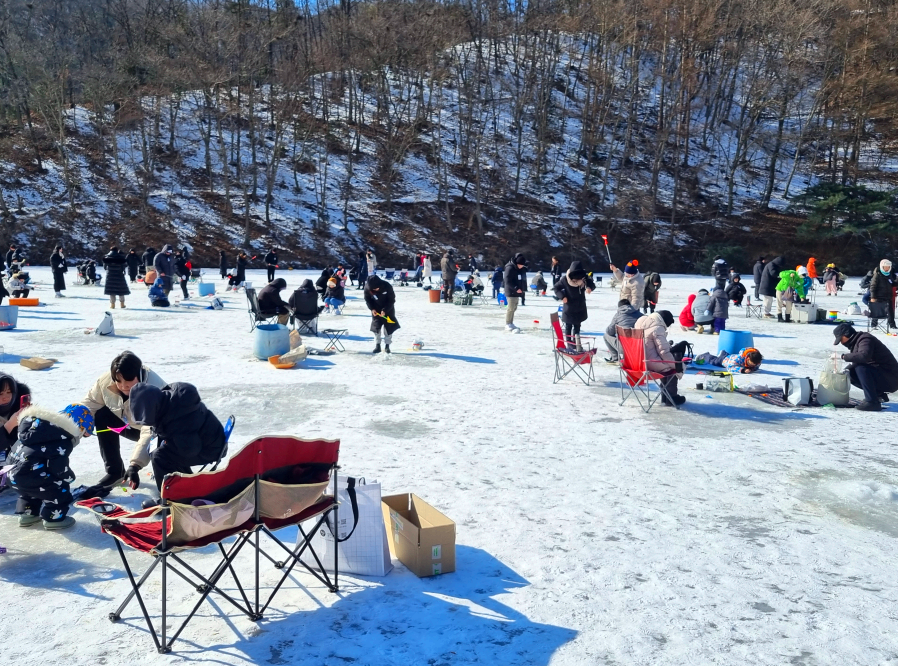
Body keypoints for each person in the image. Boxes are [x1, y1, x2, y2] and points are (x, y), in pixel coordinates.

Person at [75, 352, 167, 500]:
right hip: (126, 425)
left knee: (160, 447)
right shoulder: (105, 382)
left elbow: (150, 430)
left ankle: (166, 486)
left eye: (129, 380)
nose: (124, 385)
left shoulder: (155, 390)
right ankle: (114, 471)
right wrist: (79, 427)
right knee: (101, 415)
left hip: (157, 432)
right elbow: (88, 405)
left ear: (140, 374)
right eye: (118, 380)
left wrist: (135, 465)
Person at [126, 382, 227, 501]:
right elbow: (153, 435)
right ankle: (184, 485)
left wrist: (168, 442)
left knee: (159, 456)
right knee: (158, 449)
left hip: (210, 448)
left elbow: (190, 450)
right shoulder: (167, 400)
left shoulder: (178, 417)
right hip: (210, 438)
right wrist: (135, 466)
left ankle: (171, 499)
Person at [8, 403, 93, 529]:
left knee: (29, 490)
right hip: (29, 475)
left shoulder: (35, 430)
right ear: (79, 428)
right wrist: (69, 477)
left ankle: (28, 515)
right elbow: (58, 468)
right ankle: (54, 520)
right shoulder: (62, 440)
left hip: (11, 475)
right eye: (83, 434)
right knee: (59, 489)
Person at [833, 322, 898, 411]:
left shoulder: (865, 339)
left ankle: (872, 402)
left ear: (847, 335)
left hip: (891, 378)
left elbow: (864, 356)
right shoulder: (857, 341)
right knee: (849, 373)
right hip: (883, 375)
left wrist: (843, 356)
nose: (841, 342)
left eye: (841, 339)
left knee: (860, 366)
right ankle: (878, 394)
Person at [635, 310, 687, 406]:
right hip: (648, 363)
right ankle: (672, 398)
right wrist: (678, 365)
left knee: (666, 364)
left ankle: (665, 396)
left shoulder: (640, 322)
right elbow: (664, 352)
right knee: (672, 367)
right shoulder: (657, 328)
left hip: (636, 362)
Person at [554, 261, 595, 350]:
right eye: (575, 280)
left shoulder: (584, 278)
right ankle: (569, 343)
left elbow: (592, 284)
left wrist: (589, 287)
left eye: (578, 279)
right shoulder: (565, 280)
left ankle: (576, 343)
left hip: (580, 306)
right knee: (568, 326)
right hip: (569, 307)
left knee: (577, 326)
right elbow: (556, 288)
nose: (576, 281)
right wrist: (562, 296)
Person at [0, 372, 32, 464]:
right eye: (0, 393)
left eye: (9, 392)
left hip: (16, 468)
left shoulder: (16, 410)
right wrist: (10, 425)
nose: (5, 397)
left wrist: (30, 418)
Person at [364, 275, 400, 353]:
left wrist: (385, 310)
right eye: (373, 289)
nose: (375, 290)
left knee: (388, 328)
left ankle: (387, 346)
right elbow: (367, 300)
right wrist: (372, 309)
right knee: (376, 328)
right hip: (376, 310)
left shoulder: (387, 286)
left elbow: (392, 300)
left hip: (388, 309)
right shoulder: (367, 288)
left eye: (376, 288)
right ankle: (377, 345)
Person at [868, 259, 897, 329]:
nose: (887, 268)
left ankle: (892, 325)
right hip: (878, 297)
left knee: (890, 312)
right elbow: (872, 287)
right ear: (882, 267)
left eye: (888, 267)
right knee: (877, 311)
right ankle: (874, 324)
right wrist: (873, 297)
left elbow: (892, 284)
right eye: (885, 267)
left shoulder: (889, 275)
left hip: (888, 297)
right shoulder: (877, 275)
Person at [503, 253, 527, 331]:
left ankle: (511, 322)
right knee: (510, 308)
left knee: (514, 307)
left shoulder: (519, 269)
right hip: (510, 291)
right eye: (520, 265)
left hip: (516, 291)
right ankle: (508, 323)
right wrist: (516, 288)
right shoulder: (510, 268)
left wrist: (522, 288)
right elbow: (507, 281)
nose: (521, 267)